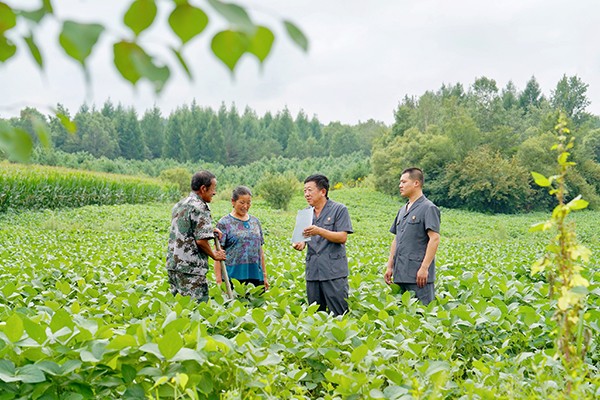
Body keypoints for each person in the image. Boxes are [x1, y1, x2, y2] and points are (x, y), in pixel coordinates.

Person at [292, 174, 353, 316]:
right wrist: (300, 244)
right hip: (313, 272)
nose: (306, 194)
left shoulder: (339, 210)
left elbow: (342, 237)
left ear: (323, 191)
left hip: (333, 272)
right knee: (315, 315)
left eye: (310, 190)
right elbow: (303, 238)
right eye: (304, 191)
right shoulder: (305, 214)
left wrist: (319, 231)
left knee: (339, 314)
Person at [166, 170, 226, 302]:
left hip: (174, 266)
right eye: (213, 189)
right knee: (196, 311)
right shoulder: (200, 207)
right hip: (191, 268)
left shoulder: (180, 204)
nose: (214, 193)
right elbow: (201, 241)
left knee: (179, 309)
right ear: (203, 189)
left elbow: (187, 229)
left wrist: (210, 230)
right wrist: (214, 255)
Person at [384, 167, 441, 305]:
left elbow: (434, 239)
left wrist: (424, 268)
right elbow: (396, 239)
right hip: (400, 274)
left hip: (418, 276)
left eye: (404, 182)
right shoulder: (402, 210)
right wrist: (390, 266)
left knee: (422, 316)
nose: (400, 185)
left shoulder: (429, 208)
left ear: (416, 183)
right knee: (403, 317)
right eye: (400, 182)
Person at [215, 186, 268, 290]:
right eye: (242, 202)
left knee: (256, 304)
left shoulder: (255, 222)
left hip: (256, 275)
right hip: (233, 276)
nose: (245, 206)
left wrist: (265, 275)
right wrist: (219, 280)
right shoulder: (224, 223)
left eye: (248, 202)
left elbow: (260, 251)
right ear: (233, 202)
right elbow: (218, 253)